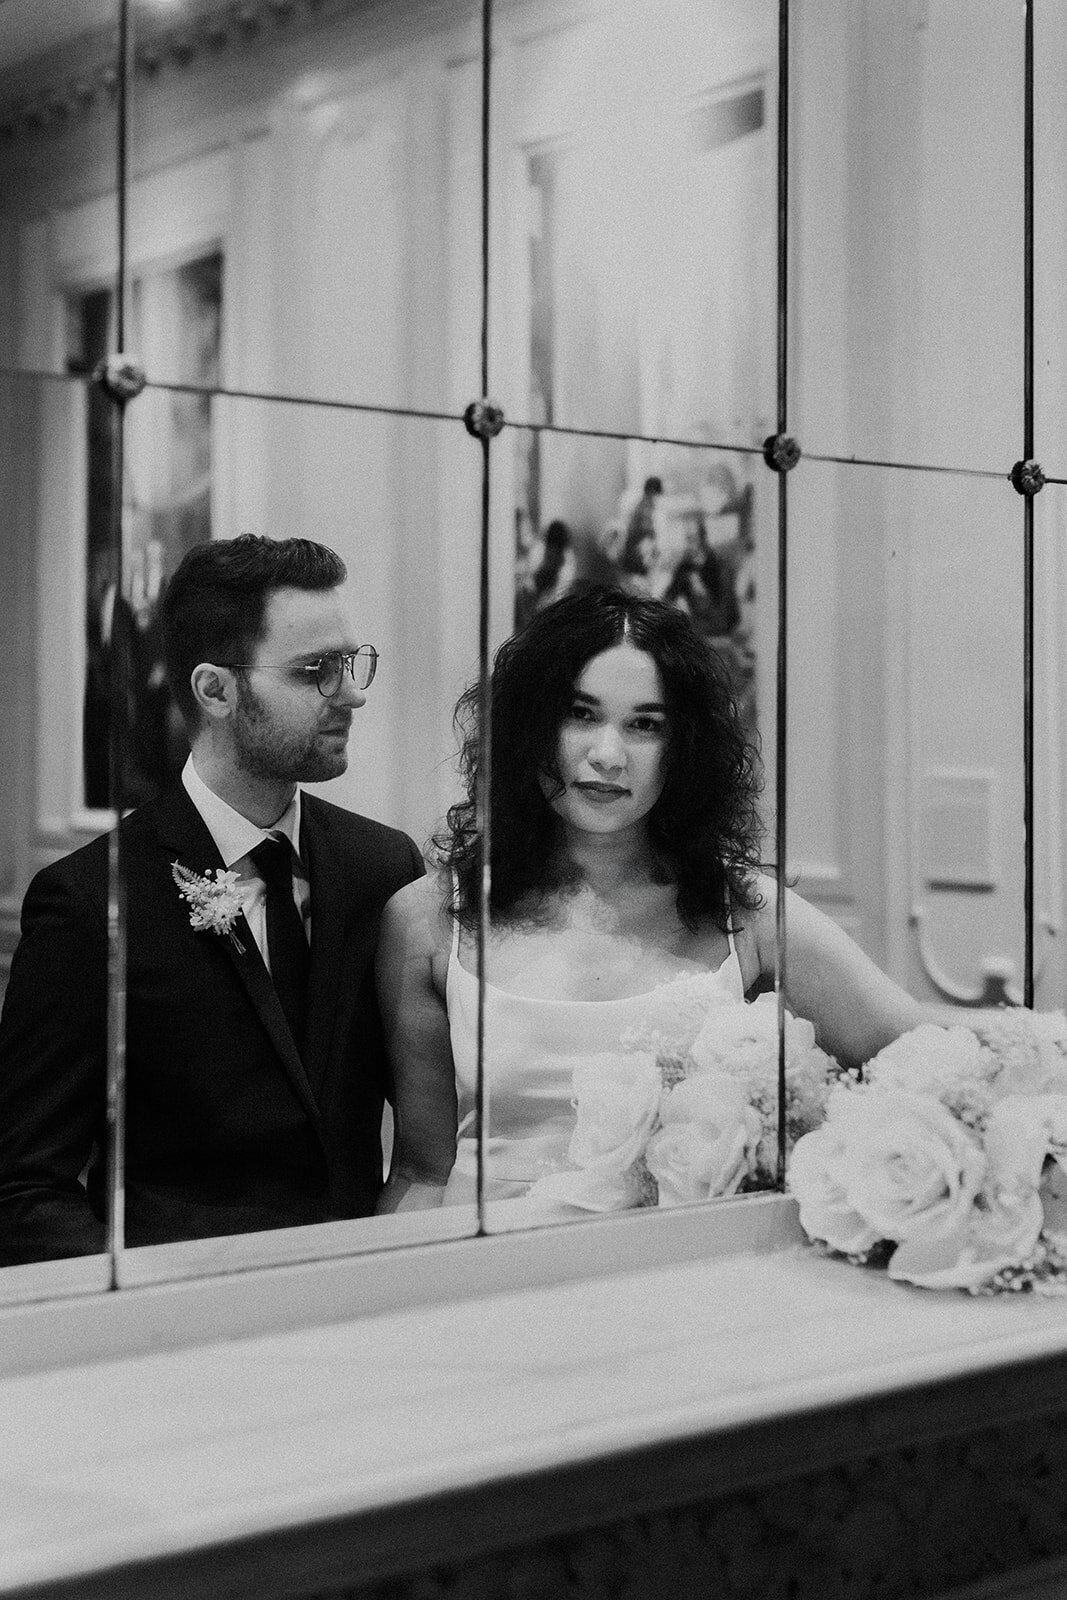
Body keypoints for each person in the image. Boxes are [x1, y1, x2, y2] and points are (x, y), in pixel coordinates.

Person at [375, 584, 930, 1214]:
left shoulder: (746, 913)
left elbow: (919, 1053)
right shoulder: (427, 921)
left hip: (673, 1277)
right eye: (580, 714)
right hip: (481, 1276)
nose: (607, 755)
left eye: (644, 724)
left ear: (682, 749)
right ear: (530, 727)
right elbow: (421, 1172)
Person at [0, 535, 424, 1263]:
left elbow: (423, 1134)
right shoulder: (88, 902)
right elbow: (21, 1189)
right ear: (215, 690)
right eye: (316, 671)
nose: (351, 693)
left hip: (360, 1305)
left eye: (351, 664)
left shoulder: (382, 867)